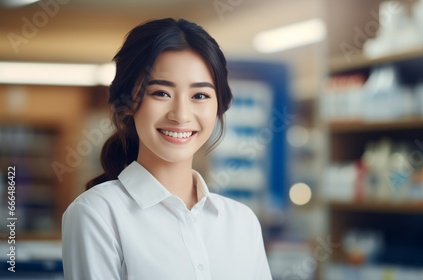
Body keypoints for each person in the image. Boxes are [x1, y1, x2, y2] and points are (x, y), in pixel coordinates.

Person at [62, 18, 272, 280]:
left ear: (219, 107)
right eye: (161, 93)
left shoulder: (242, 222)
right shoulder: (97, 213)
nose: (181, 115)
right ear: (127, 103)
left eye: (200, 96)